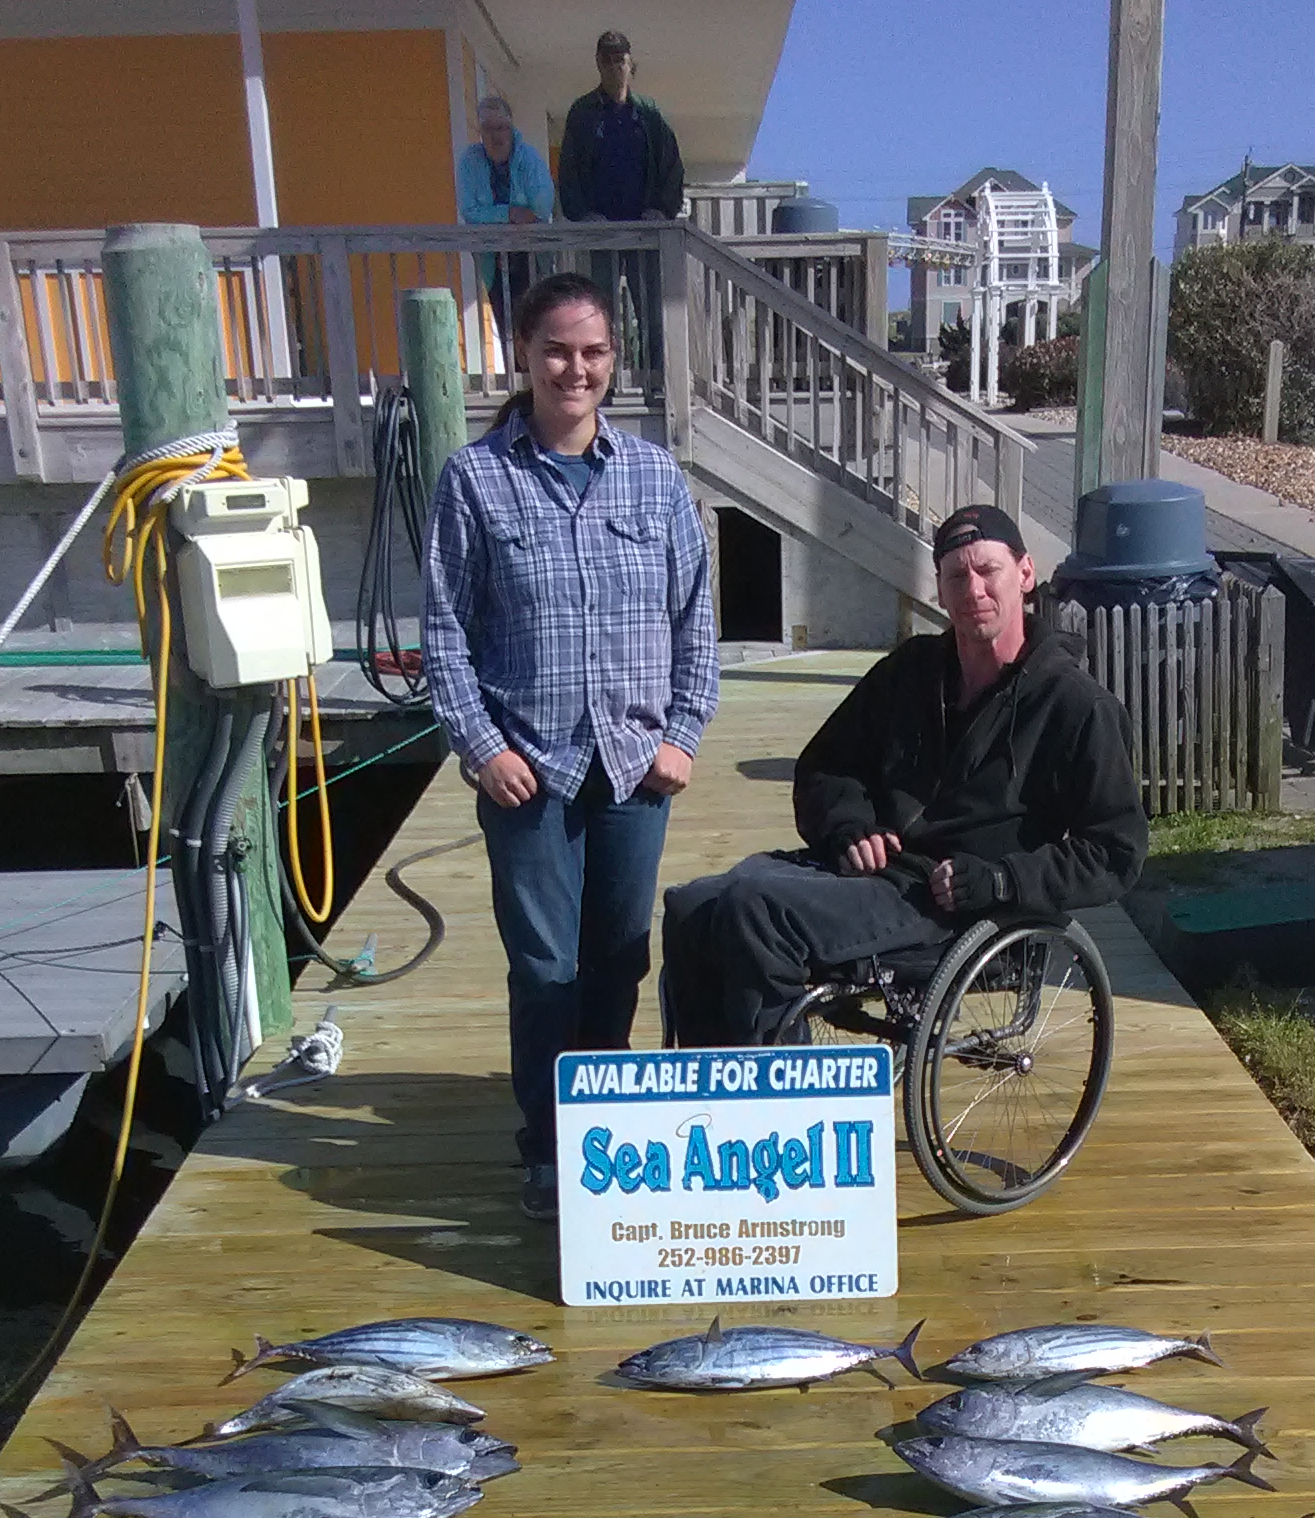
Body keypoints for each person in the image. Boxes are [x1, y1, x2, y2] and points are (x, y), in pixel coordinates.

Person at [421, 272, 718, 1223]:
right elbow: (442, 634)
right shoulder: (474, 479)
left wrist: (683, 732)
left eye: (592, 353)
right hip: (528, 770)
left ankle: (606, 1128)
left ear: (613, 362)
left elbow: (695, 618)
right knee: (544, 966)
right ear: (523, 355)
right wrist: (478, 746)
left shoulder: (655, 475)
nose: (574, 369)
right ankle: (548, 1142)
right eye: (556, 351)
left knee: (619, 957)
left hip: (635, 764)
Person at [662, 505, 1148, 1046]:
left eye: (988, 571)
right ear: (940, 591)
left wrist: (1004, 880)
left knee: (754, 913)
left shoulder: (1077, 707)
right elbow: (826, 765)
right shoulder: (911, 671)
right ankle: (706, 1101)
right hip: (869, 877)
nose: (973, 590)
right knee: (692, 906)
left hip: (950, 904)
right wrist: (849, 826)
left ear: (1025, 574)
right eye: (956, 577)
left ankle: (782, 1108)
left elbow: (1114, 851)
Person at [555, 30, 684, 368]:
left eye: (620, 59)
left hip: (645, 232)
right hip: (601, 234)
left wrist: (662, 209)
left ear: (631, 64)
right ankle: (604, 385)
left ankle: (656, 381)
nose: (615, 66)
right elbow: (567, 169)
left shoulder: (649, 114)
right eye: (608, 59)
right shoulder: (583, 112)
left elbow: (672, 166)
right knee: (598, 314)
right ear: (598, 64)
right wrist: (582, 215)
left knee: (652, 312)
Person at [456, 92, 554, 345]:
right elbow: (469, 211)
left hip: (531, 257)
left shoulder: (529, 159)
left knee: (536, 328)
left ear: (511, 128)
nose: (495, 135)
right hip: (493, 260)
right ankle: (518, 383)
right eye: (488, 128)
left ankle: (536, 382)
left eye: (501, 128)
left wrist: (495, 216)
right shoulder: (470, 162)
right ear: (480, 131)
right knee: (507, 332)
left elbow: (541, 207)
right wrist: (510, 213)